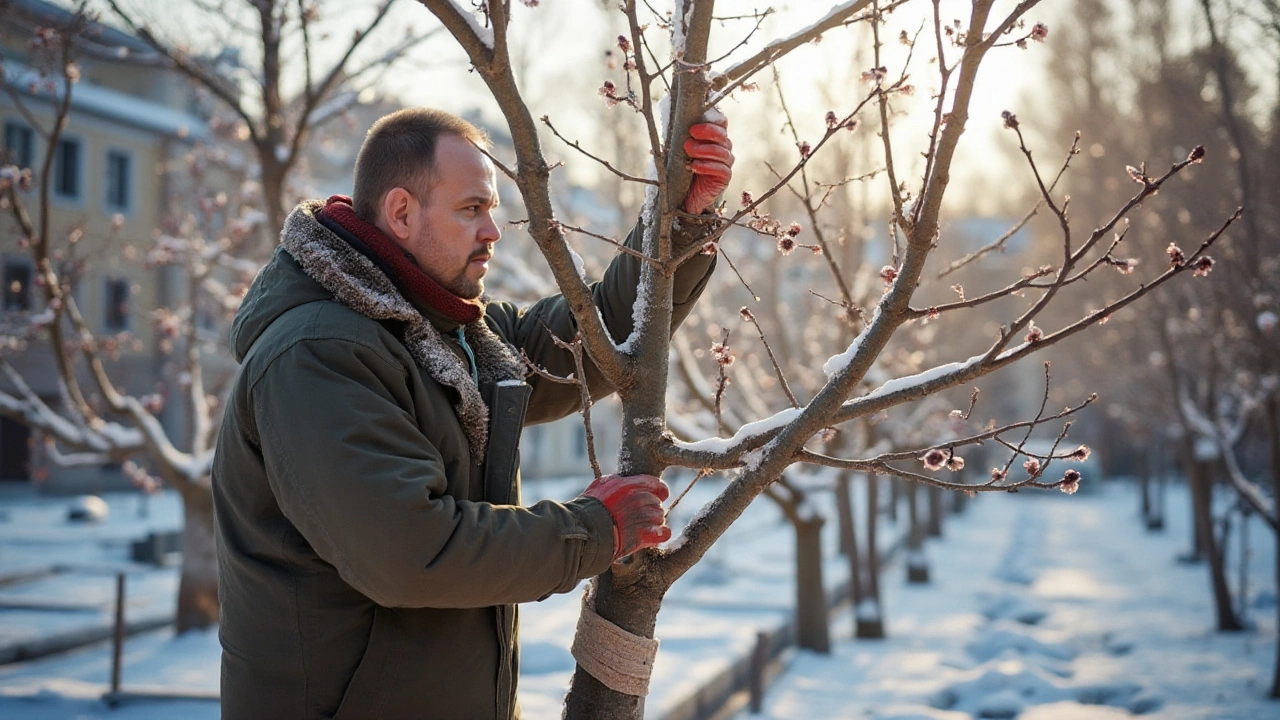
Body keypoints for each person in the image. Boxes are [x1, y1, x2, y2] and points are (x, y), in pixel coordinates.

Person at [211, 107, 733, 720]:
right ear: (401, 212)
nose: (493, 230)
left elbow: (595, 340)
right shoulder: (321, 353)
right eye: (471, 209)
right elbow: (410, 554)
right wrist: (595, 529)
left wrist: (681, 220)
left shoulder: (445, 335)